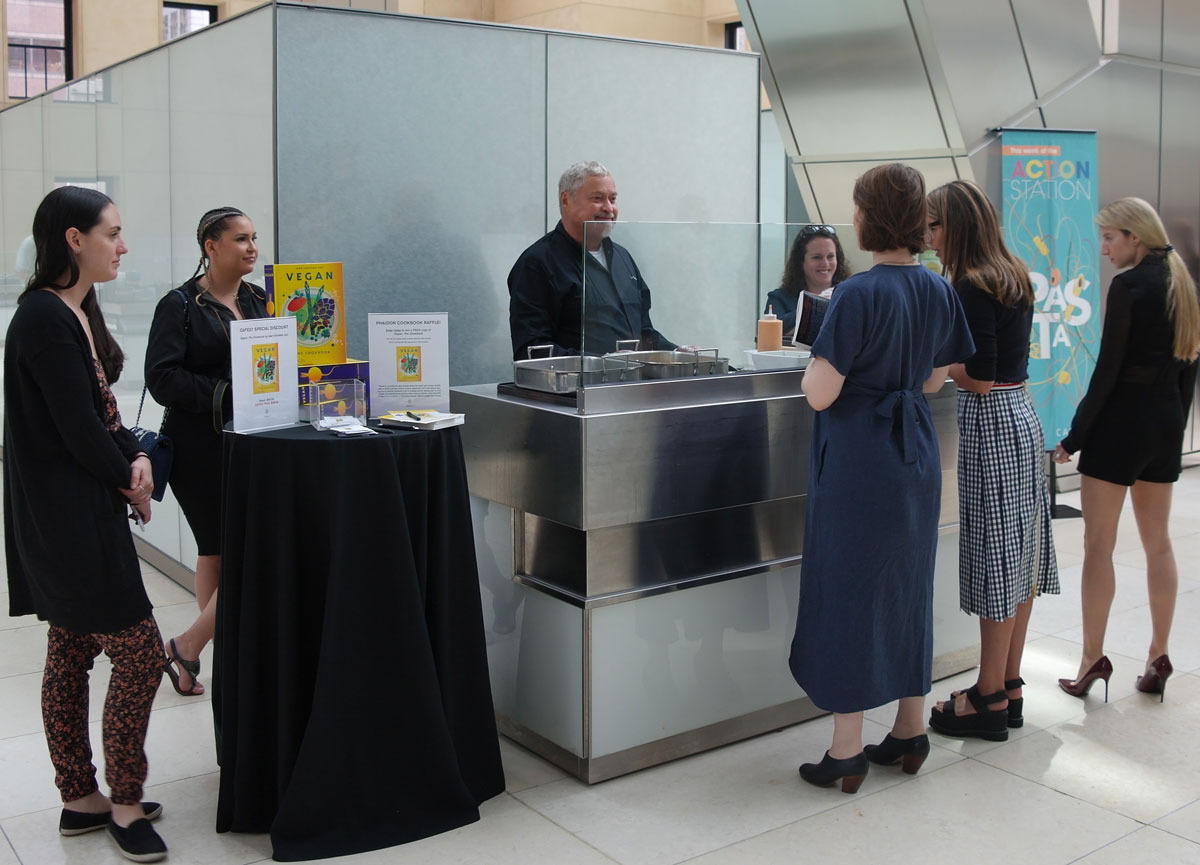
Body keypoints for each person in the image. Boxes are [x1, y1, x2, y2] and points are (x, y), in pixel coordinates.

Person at [789, 163, 973, 793]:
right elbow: (933, 379)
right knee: (905, 588)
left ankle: (845, 750)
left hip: (860, 460)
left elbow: (819, 393)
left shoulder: (858, 293)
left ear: (870, 216)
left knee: (849, 592)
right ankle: (910, 729)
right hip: (913, 454)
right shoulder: (937, 288)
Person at [3, 186, 168, 862]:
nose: (123, 245)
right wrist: (131, 479)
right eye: (113, 232)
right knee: (141, 653)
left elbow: (100, 415)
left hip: (68, 515)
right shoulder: (44, 319)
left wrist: (133, 456)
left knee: (71, 651)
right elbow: (77, 429)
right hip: (70, 523)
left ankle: (79, 797)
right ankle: (124, 802)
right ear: (74, 238)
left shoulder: (70, 310)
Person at [923, 180, 1059, 741]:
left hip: (991, 423)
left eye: (934, 226)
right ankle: (1008, 682)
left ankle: (986, 696)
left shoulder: (971, 285)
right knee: (1019, 558)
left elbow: (978, 376)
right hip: (1023, 415)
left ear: (955, 226)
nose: (928, 237)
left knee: (995, 560)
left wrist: (936, 360)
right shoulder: (1013, 274)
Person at [1054, 197, 1200, 703]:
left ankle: (1092, 658)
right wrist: (1174, 429)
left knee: (1100, 546)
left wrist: (1074, 438)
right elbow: (1189, 367)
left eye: (1110, 238)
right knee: (1158, 544)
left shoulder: (1129, 287)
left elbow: (1107, 373)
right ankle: (1159, 653)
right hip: (1164, 425)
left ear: (1135, 237)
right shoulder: (1183, 282)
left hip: (1121, 427)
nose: (1103, 248)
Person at [145, 207, 267, 696]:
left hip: (255, 440)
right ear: (211, 246)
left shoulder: (261, 300)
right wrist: (225, 392)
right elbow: (162, 377)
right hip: (199, 447)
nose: (252, 247)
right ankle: (195, 646)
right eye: (241, 239)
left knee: (228, 550)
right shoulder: (179, 304)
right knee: (221, 550)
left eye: (254, 238)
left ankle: (192, 651)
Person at [508, 161, 676, 359]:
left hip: (631, 385)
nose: (608, 208)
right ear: (565, 200)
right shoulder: (536, 263)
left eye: (612, 199)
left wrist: (677, 353)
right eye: (597, 198)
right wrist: (601, 363)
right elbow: (532, 350)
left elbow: (644, 334)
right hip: (576, 388)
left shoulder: (624, 258)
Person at [765, 224, 851, 342]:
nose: (825, 263)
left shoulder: (850, 294)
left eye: (830, 257)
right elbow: (773, 332)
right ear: (800, 262)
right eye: (817, 257)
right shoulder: (779, 298)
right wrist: (817, 305)